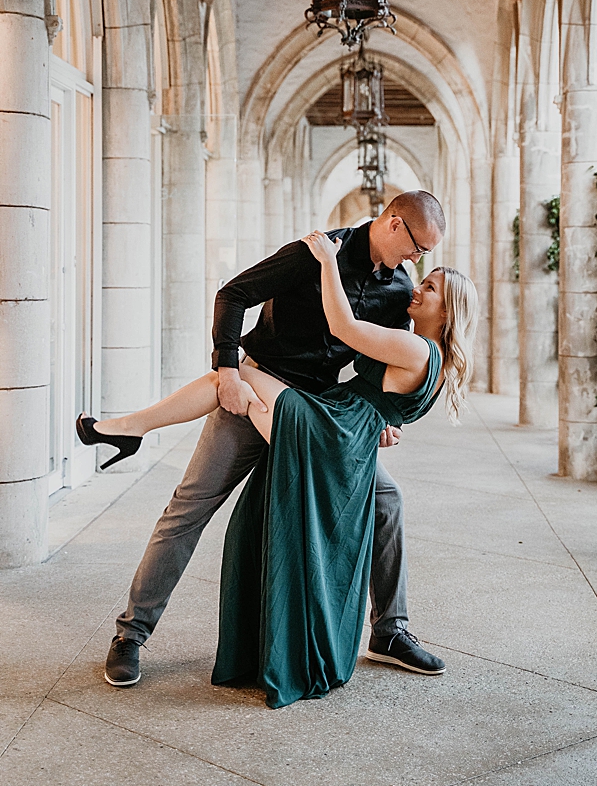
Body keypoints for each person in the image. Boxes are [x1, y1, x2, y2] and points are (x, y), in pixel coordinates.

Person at [81, 229, 478, 706]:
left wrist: (382, 418)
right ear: (395, 224)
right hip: (254, 399)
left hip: (318, 413)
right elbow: (233, 295)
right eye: (418, 246)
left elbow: (382, 363)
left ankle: (390, 631)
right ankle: (131, 635)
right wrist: (229, 371)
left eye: (426, 261)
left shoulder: (399, 289)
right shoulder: (316, 252)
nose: (418, 262)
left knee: (387, 500)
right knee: (189, 508)